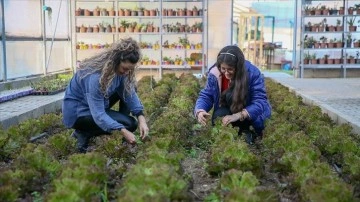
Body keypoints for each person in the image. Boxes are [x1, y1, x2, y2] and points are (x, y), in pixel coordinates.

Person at [62, 37, 149, 153]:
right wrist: (122, 130)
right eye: (125, 68)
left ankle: (117, 124)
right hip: (78, 113)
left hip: (94, 105)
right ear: (117, 60)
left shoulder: (119, 72)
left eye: (130, 69)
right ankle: (83, 132)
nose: (126, 72)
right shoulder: (95, 77)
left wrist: (142, 119)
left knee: (129, 87)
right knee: (130, 124)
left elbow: (130, 94)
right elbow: (98, 114)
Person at [194, 45, 271, 144]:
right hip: (229, 109)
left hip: (248, 113)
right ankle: (232, 133)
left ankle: (247, 131)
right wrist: (200, 110)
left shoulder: (252, 73)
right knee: (218, 116)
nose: (226, 73)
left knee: (246, 140)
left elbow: (260, 101)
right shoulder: (215, 74)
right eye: (223, 69)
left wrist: (239, 115)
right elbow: (207, 95)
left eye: (230, 69)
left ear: (238, 67)